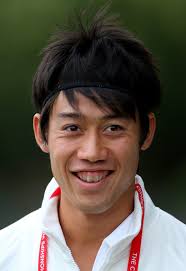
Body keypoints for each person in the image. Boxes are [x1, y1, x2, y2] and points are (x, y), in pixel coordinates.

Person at [0, 7, 186, 271]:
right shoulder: (6, 255)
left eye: (112, 128)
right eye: (73, 128)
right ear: (41, 133)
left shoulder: (180, 255)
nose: (91, 152)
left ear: (146, 132)